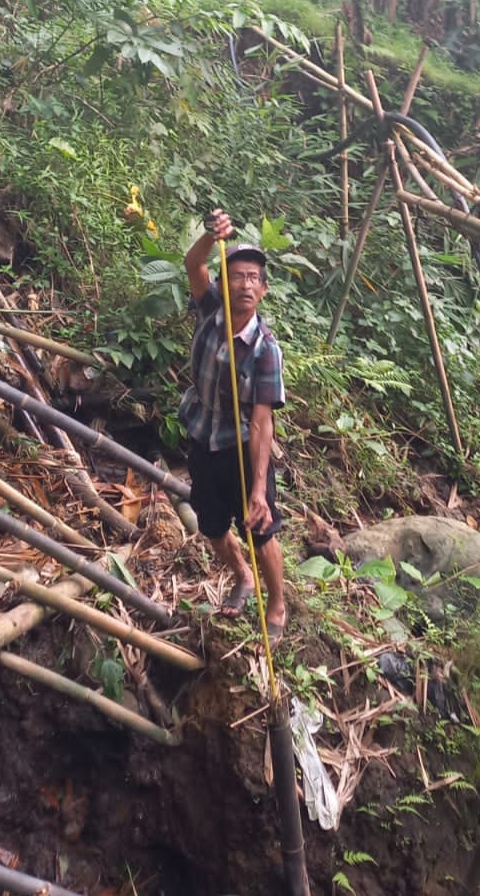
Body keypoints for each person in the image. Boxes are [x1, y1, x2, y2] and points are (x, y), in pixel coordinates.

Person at [179, 209, 287, 640]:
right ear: (224, 284)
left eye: (253, 278)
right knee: (211, 525)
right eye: (237, 276)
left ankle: (277, 603)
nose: (245, 284)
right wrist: (210, 234)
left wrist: (259, 490)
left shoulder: (265, 350)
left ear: (263, 289)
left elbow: (262, 424)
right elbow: (193, 264)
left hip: (241, 446)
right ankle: (242, 576)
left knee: (261, 529)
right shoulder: (211, 310)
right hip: (202, 435)